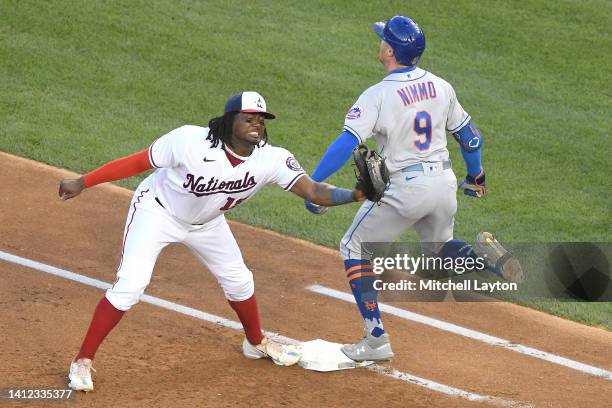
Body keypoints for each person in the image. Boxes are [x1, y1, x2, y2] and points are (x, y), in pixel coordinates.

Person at [59, 91, 365, 391]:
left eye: (261, 119)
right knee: (130, 287)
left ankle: (256, 342)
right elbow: (138, 162)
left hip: (207, 224)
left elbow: (313, 192)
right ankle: (83, 359)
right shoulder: (188, 141)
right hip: (157, 212)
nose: (257, 124)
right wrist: (83, 182)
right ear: (230, 120)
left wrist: (354, 195)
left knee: (240, 281)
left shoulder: (273, 158)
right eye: (249, 118)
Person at [305, 16, 523, 361]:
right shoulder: (441, 86)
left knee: (354, 246)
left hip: (406, 188)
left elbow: (347, 143)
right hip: (443, 184)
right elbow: (470, 137)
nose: (379, 43)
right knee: (439, 249)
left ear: (389, 50)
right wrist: (476, 176)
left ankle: (375, 338)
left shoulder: (378, 95)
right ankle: (481, 255)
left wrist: (313, 185)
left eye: (382, 39)